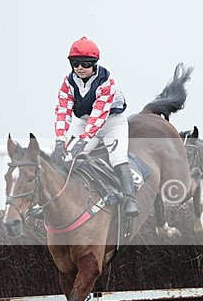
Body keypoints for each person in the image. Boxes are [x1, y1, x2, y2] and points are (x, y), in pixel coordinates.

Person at [51, 36, 141, 217]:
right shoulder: (68, 82)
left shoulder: (107, 81)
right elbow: (63, 110)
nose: (80, 68)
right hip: (85, 122)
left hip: (112, 122)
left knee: (117, 157)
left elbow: (99, 115)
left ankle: (130, 199)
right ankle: (56, 202)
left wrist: (83, 141)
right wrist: (60, 139)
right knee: (66, 157)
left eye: (85, 63)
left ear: (94, 64)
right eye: (75, 63)